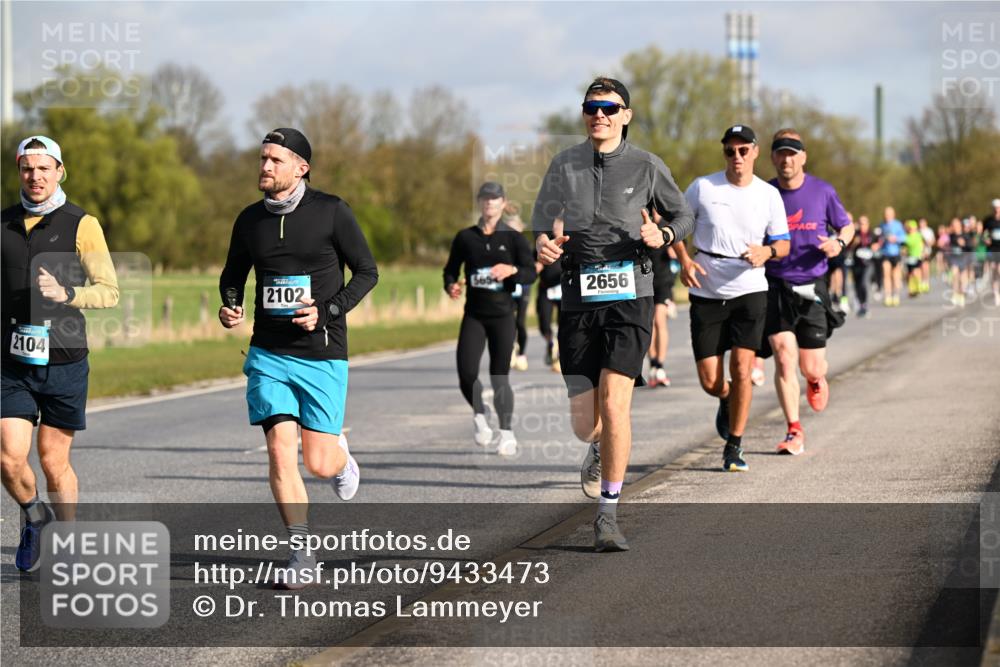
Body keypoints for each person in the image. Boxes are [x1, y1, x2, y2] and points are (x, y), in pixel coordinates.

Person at [533, 77, 694, 551]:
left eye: (609, 107)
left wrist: (663, 237)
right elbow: (542, 220)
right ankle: (597, 447)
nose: (599, 114)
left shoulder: (647, 165)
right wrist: (542, 243)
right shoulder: (564, 164)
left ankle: (608, 514)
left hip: (631, 293)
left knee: (616, 403)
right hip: (579, 294)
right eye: (591, 107)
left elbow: (683, 215)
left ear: (626, 115)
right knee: (586, 421)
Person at [219, 128, 378, 587]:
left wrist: (327, 311)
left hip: (322, 353)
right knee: (278, 450)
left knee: (320, 464)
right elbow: (233, 275)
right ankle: (302, 553)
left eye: (274, 160)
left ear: (300, 167)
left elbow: (368, 272)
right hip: (269, 352)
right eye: (262, 158)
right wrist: (231, 303)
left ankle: (340, 457)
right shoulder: (250, 220)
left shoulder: (332, 212)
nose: (264, 167)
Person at [2, 136, 120, 572]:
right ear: (20, 172)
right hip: (11, 361)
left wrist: (67, 293)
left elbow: (109, 291)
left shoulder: (81, 224)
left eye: (44, 168)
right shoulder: (4, 223)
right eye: (27, 168)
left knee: (53, 461)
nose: (35, 176)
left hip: (64, 359)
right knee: (8, 457)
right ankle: (35, 516)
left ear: (60, 172)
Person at [674, 124, 790, 471]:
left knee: (742, 369)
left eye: (743, 150)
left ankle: (734, 445)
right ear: (724, 152)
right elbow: (676, 226)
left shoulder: (768, 195)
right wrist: (684, 260)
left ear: (755, 152)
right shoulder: (703, 187)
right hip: (706, 287)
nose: (737, 157)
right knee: (711, 381)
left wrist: (767, 252)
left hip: (750, 288)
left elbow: (783, 243)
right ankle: (725, 399)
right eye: (730, 150)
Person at [764, 129, 854, 456]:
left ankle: (816, 380)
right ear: (772, 157)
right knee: (784, 358)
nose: (786, 159)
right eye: (780, 153)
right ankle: (794, 430)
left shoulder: (822, 191)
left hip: (813, 284)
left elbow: (847, 226)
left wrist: (839, 242)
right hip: (776, 283)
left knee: (811, 367)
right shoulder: (765, 193)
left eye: (792, 153)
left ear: (803, 157)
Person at [443, 182, 535, 456]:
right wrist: (451, 286)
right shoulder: (465, 237)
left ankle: (507, 434)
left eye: (495, 200)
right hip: (474, 315)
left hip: (503, 316)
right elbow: (450, 271)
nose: (490, 204)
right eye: (485, 199)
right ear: (480, 203)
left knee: (499, 377)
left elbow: (530, 273)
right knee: (466, 373)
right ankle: (480, 415)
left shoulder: (514, 238)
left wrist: (512, 269)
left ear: (503, 204)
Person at [647, 212, 679, 388]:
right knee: (648, 324)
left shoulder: (670, 224)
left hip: (664, 282)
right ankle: (653, 364)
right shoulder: (644, 224)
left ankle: (660, 364)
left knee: (660, 320)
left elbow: (677, 253)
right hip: (645, 281)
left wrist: (668, 242)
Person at [503, 201, 533, 371]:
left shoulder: (524, 245)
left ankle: (522, 354)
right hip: (507, 288)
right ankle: (509, 352)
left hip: (523, 288)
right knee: (507, 321)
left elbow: (529, 268)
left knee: (520, 322)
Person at [535, 220, 564, 372]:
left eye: (559, 225)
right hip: (545, 289)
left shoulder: (571, 243)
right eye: (553, 225)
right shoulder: (543, 243)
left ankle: (559, 356)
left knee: (563, 324)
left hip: (564, 290)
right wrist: (536, 266)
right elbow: (533, 263)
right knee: (544, 323)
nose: (556, 228)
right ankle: (550, 342)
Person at [849, 214, 876, 318]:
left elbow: (878, 243)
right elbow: (848, 248)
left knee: (865, 282)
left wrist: (875, 246)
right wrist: (854, 243)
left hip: (868, 264)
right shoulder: (855, 235)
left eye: (864, 223)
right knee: (857, 285)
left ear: (868, 224)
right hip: (856, 264)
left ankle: (866, 304)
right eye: (860, 223)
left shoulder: (872, 234)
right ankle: (861, 305)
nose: (862, 225)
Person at [878, 206, 906, 307]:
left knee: (895, 275)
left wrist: (896, 239)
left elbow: (904, 238)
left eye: (889, 214)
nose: (887, 216)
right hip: (885, 253)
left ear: (893, 215)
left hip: (895, 253)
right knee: (886, 274)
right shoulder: (882, 225)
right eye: (886, 214)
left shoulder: (898, 225)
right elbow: (878, 237)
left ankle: (895, 295)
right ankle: (888, 296)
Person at [984, 199, 1000, 306]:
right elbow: (983, 233)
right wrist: (986, 239)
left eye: (998, 207)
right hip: (992, 248)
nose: (996, 209)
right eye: (995, 207)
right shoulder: (988, 220)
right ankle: (996, 294)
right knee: (994, 270)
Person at [903, 220, 925, 298]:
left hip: (917, 256)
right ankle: (911, 289)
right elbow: (904, 246)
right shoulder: (906, 236)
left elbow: (922, 244)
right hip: (909, 257)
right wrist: (904, 250)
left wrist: (922, 252)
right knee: (909, 274)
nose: (911, 230)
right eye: (910, 228)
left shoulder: (918, 235)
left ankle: (918, 286)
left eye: (913, 228)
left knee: (916, 272)